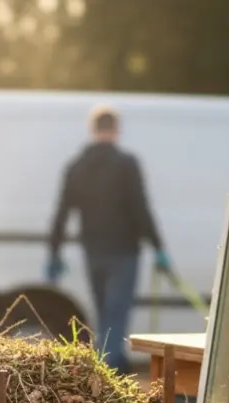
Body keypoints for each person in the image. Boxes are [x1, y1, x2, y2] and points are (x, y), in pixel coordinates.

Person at [47, 105, 171, 373]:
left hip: (93, 251)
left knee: (104, 314)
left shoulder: (76, 166)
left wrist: (54, 252)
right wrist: (159, 248)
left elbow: (61, 212)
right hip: (125, 253)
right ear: (116, 130)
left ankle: (109, 366)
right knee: (115, 316)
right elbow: (141, 208)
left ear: (93, 130)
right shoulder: (126, 164)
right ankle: (109, 372)